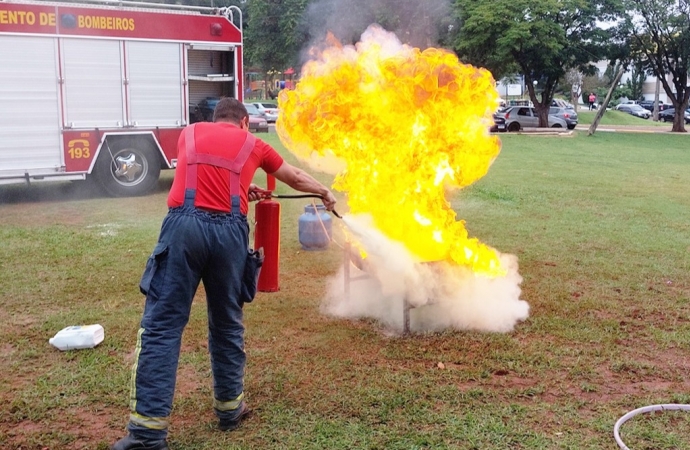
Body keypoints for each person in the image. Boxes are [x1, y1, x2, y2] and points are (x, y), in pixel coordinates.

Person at [111, 98, 336, 450]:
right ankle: (230, 410)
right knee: (227, 323)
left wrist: (239, 187)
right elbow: (291, 176)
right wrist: (323, 190)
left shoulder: (190, 133)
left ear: (217, 120)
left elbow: (202, 172)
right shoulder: (255, 144)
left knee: (163, 326)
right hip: (230, 233)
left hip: (184, 228)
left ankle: (147, 435)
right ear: (245, 122)